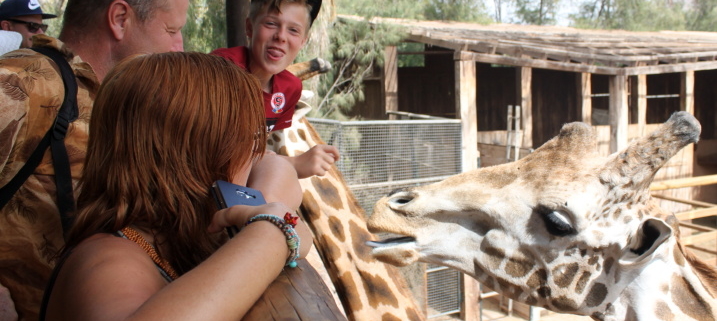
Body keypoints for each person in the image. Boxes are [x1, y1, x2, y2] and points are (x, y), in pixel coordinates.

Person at [41, 51, 313, 321]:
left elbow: (271, 163)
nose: (255, 153)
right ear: (202, 155)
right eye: (246, 140)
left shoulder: (161, 240)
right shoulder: (107, 262)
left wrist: (268, 207)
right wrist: (274, 232)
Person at [0, 0, 187, 319]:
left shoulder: (114, 99)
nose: (178, 47)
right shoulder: (24, 80)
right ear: (119, 19)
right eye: (171, 30)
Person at [212, 0, 340, 179]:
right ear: (249, 28)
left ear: (304, 41)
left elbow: (255, 149)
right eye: (271, 24)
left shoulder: (290, 88)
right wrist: (294, 163)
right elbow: (216, 150)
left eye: (293, 30)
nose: (281, 36)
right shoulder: (221, 69)